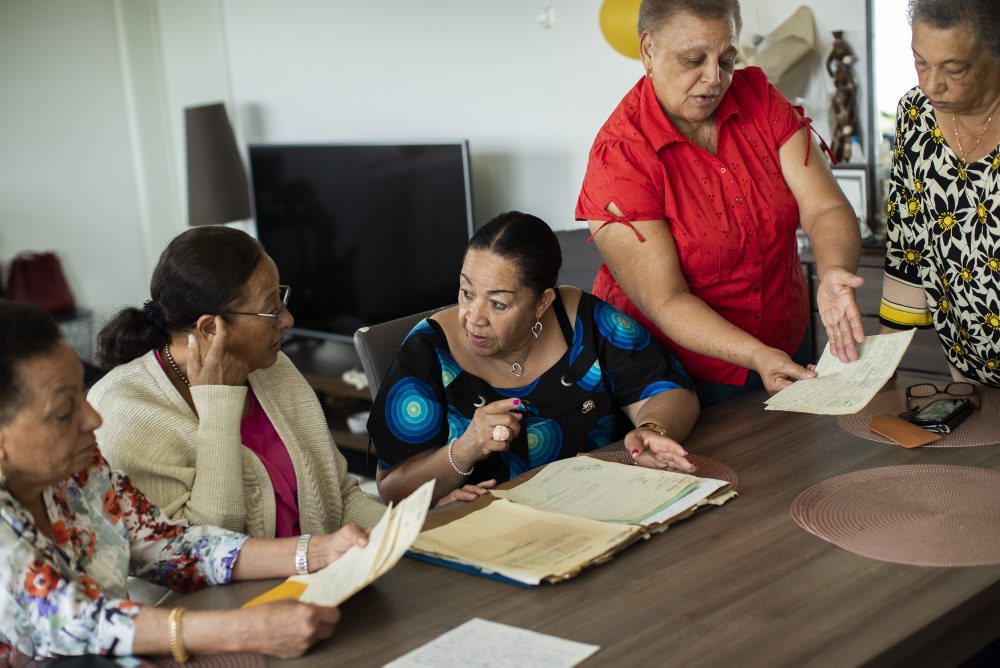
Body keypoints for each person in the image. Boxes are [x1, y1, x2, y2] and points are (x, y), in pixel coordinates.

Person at [0, 300, 369, 661]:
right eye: (64, 412)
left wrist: (319, 551)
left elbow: (171, 545)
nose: (92, 420)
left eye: (80, 393)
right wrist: (245, 630)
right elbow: (73, 620)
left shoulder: (78, 473)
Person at [576, 0, 866, 405]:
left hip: (784, 343)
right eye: (694, 59)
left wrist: (835, 270)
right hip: (676, 374)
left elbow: (825, 208)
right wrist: (754, 354)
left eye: (727, 60)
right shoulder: (620, 158)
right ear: (648, 50)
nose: (714, 78)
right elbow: (666, 300)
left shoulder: (759, 99)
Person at [369, 211, 700, 506]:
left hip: (600, 508)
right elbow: (391, 486)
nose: (473, 318)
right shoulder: (429, 352)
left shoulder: (582, 320)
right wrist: (463, 450)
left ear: (542, 303)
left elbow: (668, 390)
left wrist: (654, 428)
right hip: (492, 536)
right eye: (467, 293)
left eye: (498, 303)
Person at [89, 226, 385, 543]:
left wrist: (411, 531)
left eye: (281, 299)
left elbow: (339, 495)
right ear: (210, 329)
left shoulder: (272, 368)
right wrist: (218, 406)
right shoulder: (126, 413)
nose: (287, 320)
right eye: (272, 310)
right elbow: (204, 551)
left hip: (322, 574)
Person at [879, 0, 1000, 387]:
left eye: (954, 69)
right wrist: (879, 374)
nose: (932, 84)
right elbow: (907, 252)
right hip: (968, 376)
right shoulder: (915, 116)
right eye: (920, 62)